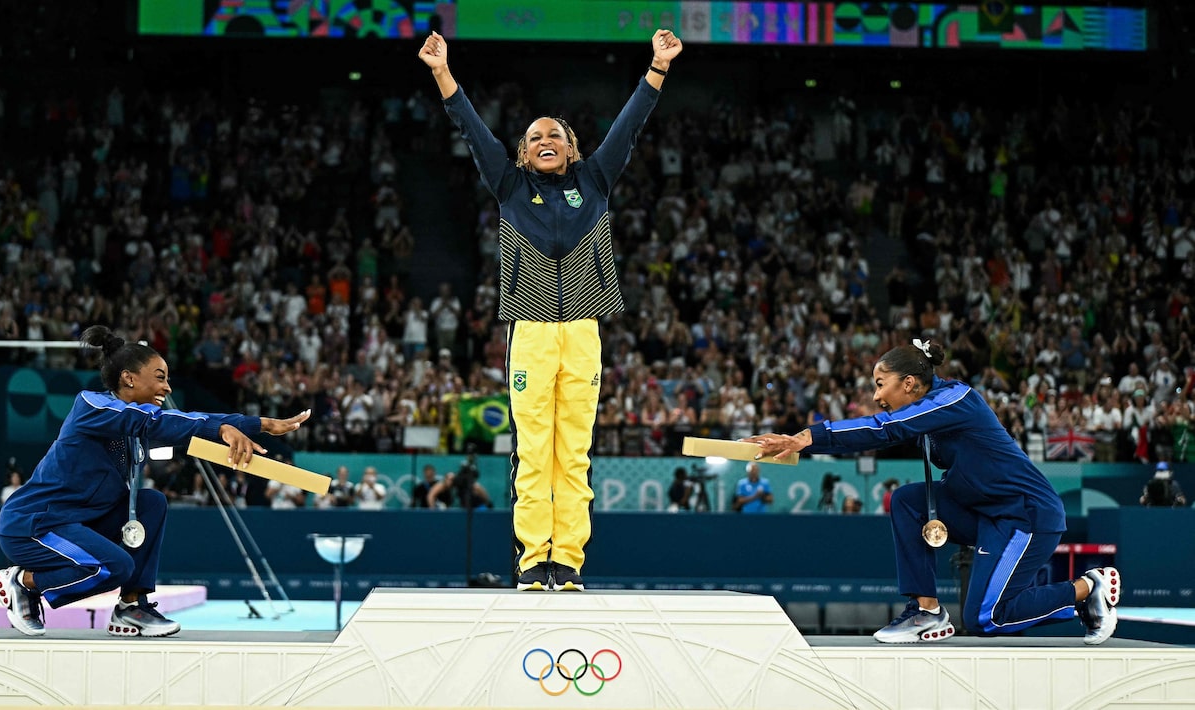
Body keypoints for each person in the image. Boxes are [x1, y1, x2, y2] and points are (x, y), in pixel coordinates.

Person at [418, 28, 683, 592]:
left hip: (583, 329)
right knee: (534, 451)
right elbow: (471, 129)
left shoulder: (596, 179)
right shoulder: (509, 185)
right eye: (535, 135)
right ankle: (532, 560)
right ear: (522, 152)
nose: (545, 140)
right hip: (532, 330)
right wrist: (443, 72)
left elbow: (629, 126)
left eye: (555, 135)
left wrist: (657, 67)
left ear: (571, 148)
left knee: (575, 453)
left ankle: (569, 561)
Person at [744, 339, 1122, 645]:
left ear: (908, 382)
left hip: (1026, 515)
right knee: (907, 501)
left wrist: (805, 438)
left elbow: (884, 428)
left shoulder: (955, 398)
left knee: (986, 617)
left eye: (880, 384)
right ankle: (927, 611)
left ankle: (1087, 588)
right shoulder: (928, 410)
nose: (876, 395)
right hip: (985, 513)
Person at [0, 326, 310, 637]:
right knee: (115, 566)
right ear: (128, 378)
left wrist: (256, 426)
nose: (168, 388)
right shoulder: (90, 405)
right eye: (160, 377)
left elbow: (169, 428)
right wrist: (229, 426)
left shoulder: (135, 433)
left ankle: (132, 606)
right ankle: (24, 582)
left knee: (151, 502)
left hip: (81, 523)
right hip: (33, 525)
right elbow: (154, 422)